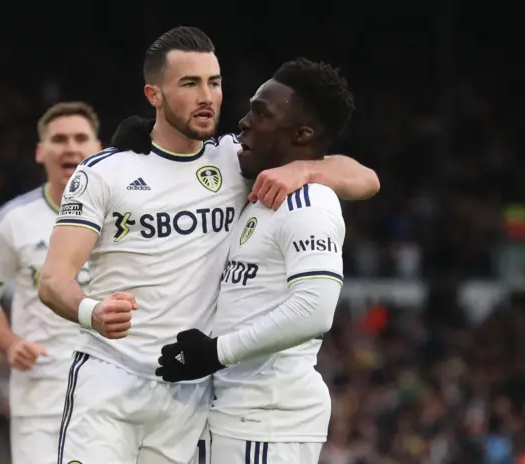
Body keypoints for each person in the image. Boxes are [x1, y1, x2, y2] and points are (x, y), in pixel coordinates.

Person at [38, 27, 379, 464]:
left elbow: (366, 179)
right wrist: (92, 312)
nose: (208, 96)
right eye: (189, 83)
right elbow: (52, 280)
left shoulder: (235, 160)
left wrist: (306, 171)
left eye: (214, 83)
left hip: (189, 392)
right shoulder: (104, 172)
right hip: (110, 382)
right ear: (154, 95)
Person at [155, 59, 354, 463]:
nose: (244, 122)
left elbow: (315, 310)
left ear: (302, 135)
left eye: (261, 113)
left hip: (270, 419)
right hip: (234, 414)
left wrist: (215, 352)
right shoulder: (260, 198)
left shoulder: (310, 202)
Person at [0, 102, 102, 464]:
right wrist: (10, 342)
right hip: (41, 397)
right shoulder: (14, 220)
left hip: (115, 391)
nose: (70, 147)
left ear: (99, 149)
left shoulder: (128, 215)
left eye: (80, 138)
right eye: (58, 139)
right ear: (41, 151)